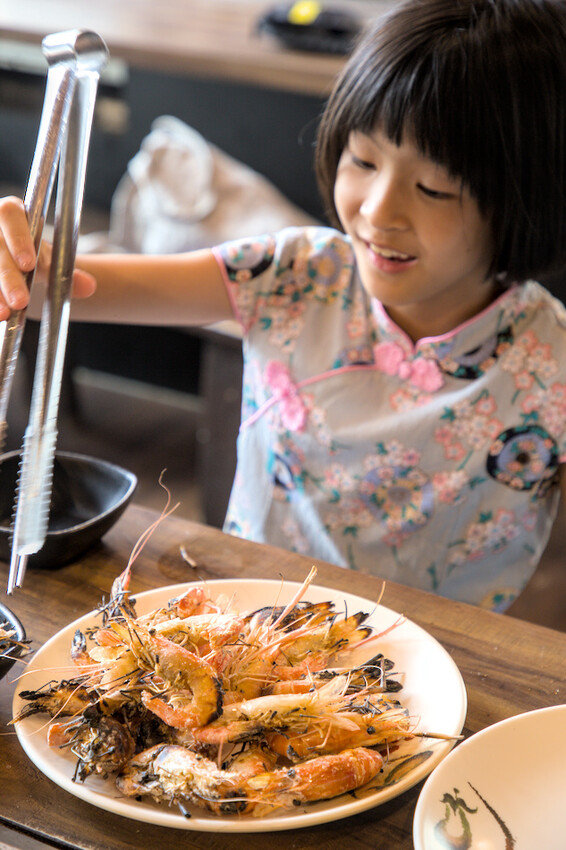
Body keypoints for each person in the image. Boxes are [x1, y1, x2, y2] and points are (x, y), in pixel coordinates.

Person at [0, 0, 565, 611]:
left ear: (526, 199)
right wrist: (17, 261)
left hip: (437, 665)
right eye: (363, 160)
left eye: (433, 187)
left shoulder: (551, 358)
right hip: (253, 620)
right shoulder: (298, 275)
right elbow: (66, 285)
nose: (377, 211)